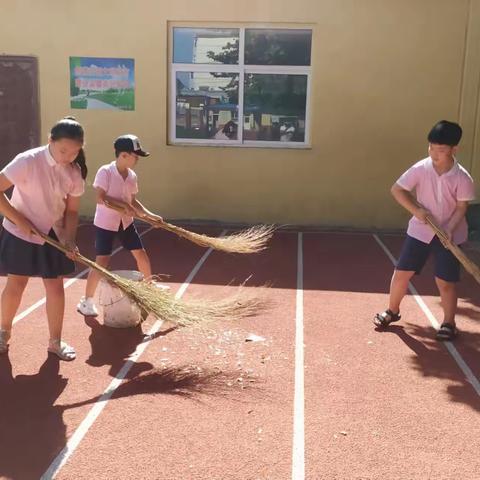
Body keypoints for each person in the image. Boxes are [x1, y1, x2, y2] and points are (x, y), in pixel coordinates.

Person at [374, 120, 475, 340]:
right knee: (401, 273)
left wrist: (449, 227)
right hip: (420, 230)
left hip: (450, 236)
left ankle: (449, 323)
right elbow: (398, 190)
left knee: (445, 282)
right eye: (430, 147)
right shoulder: (420, 168)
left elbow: (461, 207)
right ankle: (392, 311)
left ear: (454, 150)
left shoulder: (462, 177)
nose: (433, 153)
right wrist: (416, 210)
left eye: (440, 149)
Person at [0, 117, 87, 360]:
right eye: (63, 150)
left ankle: (55, 342)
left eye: (74, 152)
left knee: (56, 287)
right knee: (16, 284)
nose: (67, 156)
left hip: (54, 234)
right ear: (50, 140)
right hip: (20, 232)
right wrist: (20, 221)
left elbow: (71, 211)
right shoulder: (27, 161)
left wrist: (69, 240)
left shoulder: (74, 171)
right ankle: (3, 333)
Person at [77, 134, 167, 317]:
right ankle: (86, 301)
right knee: (102, 261)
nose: (138, 159)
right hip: (105, 224)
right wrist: (123, 207)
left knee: (141, 254)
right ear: (124, 155)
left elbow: (133, 201)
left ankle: (150, 287)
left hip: (125, 223)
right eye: (136, 155)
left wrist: (150, 216)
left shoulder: (132, 175)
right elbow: (101, 199)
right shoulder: (105, 171)